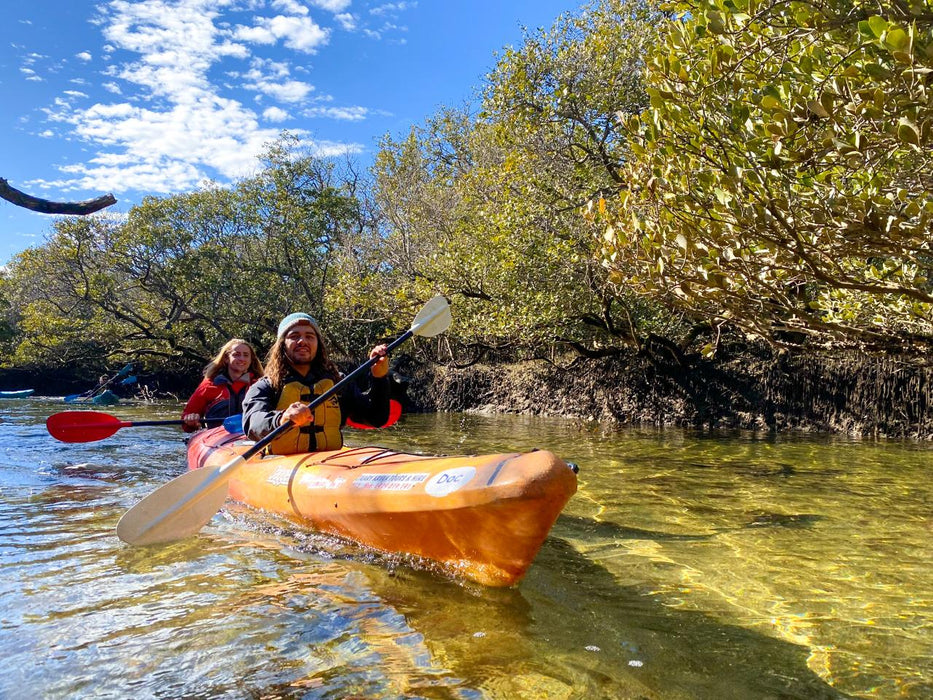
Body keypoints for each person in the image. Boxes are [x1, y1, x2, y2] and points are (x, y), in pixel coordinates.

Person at [242, 313, 390, 455]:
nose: (303, 341)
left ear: (318, 344)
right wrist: (282, 418)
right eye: (294, 336)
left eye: (309, 336)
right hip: (281, 466)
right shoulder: (266, 386)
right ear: (282, 345)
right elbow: (252, 424)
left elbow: (377, 418)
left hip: (328, 465)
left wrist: (379, 377)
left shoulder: (338, 382)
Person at [181, 339, 264, 432]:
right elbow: (185, 425)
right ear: (226, 358)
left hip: (251, 437)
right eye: (236, 354)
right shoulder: (208, 386)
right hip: (216, 438)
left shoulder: (260, 385)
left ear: (251, 360)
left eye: (246, 355)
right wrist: (191, 420)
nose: (242, 359)